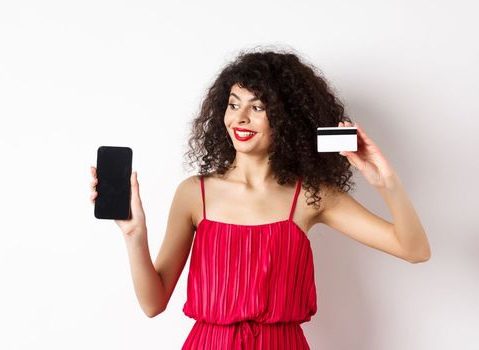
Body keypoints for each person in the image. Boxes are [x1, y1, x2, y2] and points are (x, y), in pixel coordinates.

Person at [88, 48, 431, 349]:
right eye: (233, 105)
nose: (240, 118)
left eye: (257, 107)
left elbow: (414, 250)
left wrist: (386, 182)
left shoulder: (312, 196)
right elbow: (153, 303)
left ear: (287, 118)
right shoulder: (195, 193)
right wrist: (134, 235)